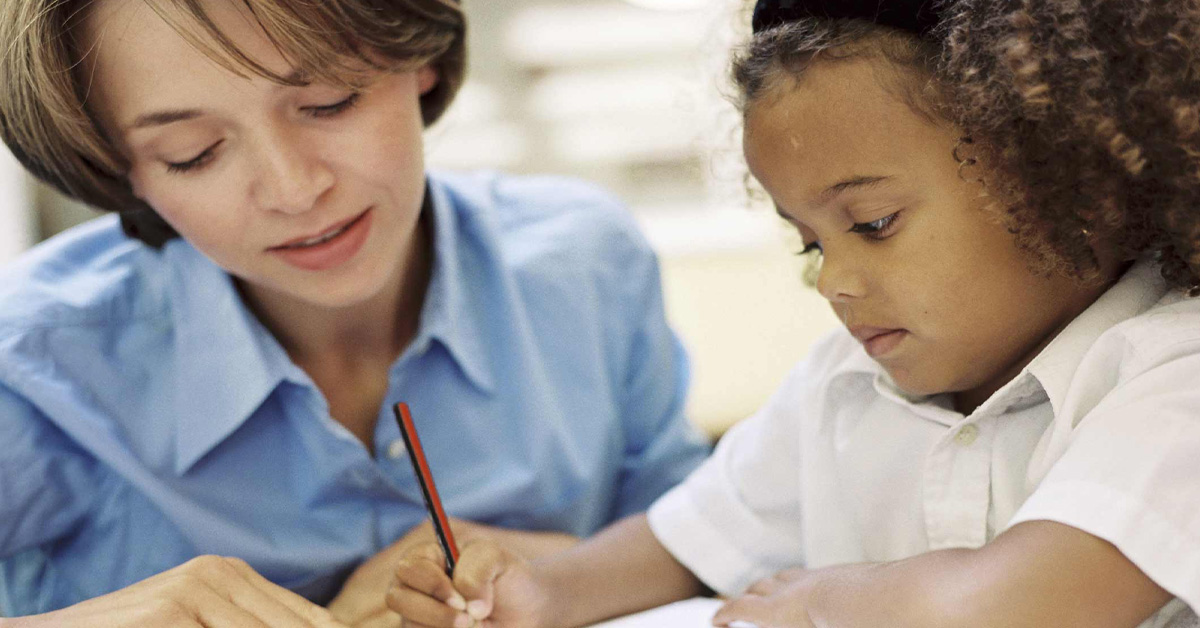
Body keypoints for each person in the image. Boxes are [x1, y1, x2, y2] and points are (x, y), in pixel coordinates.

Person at [385, 0, 1200, 626]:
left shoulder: (1173, 375)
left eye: (872, 225)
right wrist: (540, 592)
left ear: (1069, 178)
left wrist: (820, 603)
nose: (832, 281)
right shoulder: (841, 386)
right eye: (809, 243)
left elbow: (1017, 602)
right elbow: (678, 546)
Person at [0, 0, 712, 625]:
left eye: (330, 101)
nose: (294, 188)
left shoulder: (586, 264)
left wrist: (558, 577)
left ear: (419, 54)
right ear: (119, 170)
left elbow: (715, 543)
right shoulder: (31, 362)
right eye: (194, 154)